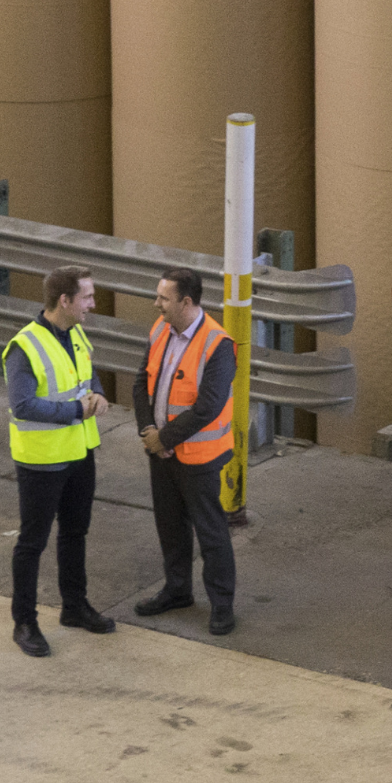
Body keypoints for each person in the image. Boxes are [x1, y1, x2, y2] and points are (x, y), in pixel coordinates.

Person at [4, 265, 117, 658]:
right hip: (42, 461)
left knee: (75, 533)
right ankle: (25, 622)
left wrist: (98, 394)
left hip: (80, 452)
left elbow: (86, 377)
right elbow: (22, 405)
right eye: (87, 297)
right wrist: (74, 410)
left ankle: (74, 607)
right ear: (64, 301)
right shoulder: (25, 346)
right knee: (32, 543)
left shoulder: (77, 332)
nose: (93, 304)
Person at [130, 268, 241, 635]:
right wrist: (148, 431)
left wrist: (165, 439)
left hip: (199, 457)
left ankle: (222, 605)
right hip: (161, 451)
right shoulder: (161, 329)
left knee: (211, 532)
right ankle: (177, 590)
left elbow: (208, 406)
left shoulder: (218, 345)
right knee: (170, 527)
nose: (156, 304)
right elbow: (140, 381)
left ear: (187, 302)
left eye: (163, 298)